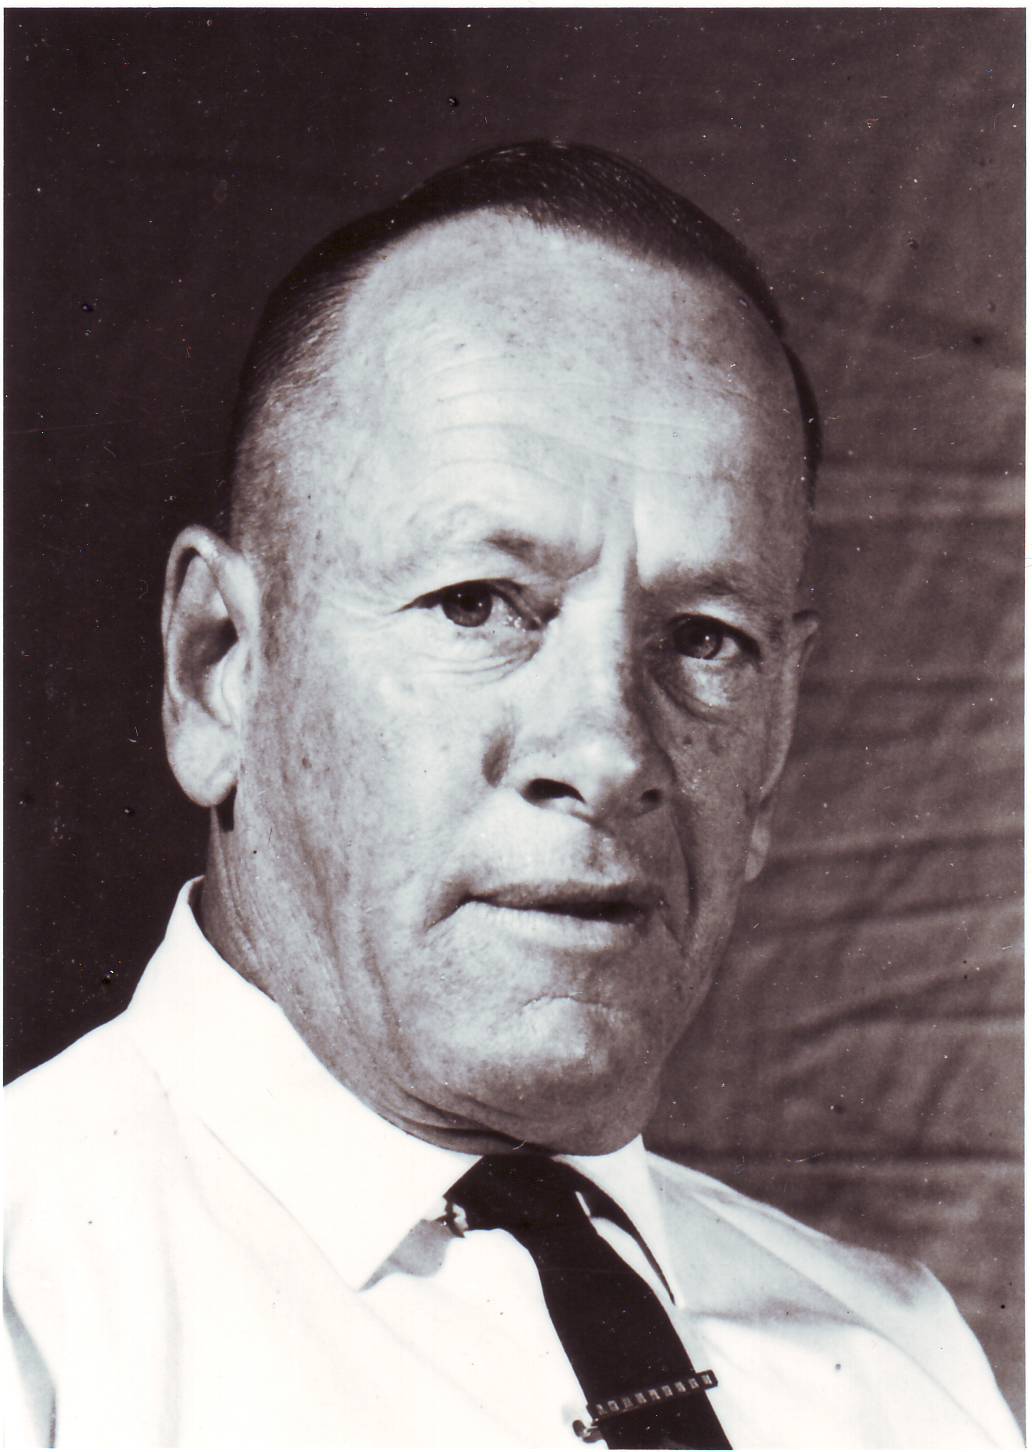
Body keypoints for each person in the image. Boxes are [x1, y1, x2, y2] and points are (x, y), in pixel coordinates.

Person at [4, 141, 1020, 1450]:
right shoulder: (36, 1324)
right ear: (220, 670)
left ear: (773, 745)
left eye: (704, 637)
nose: (608, 751)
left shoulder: (908, 1376)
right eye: (478, 604)